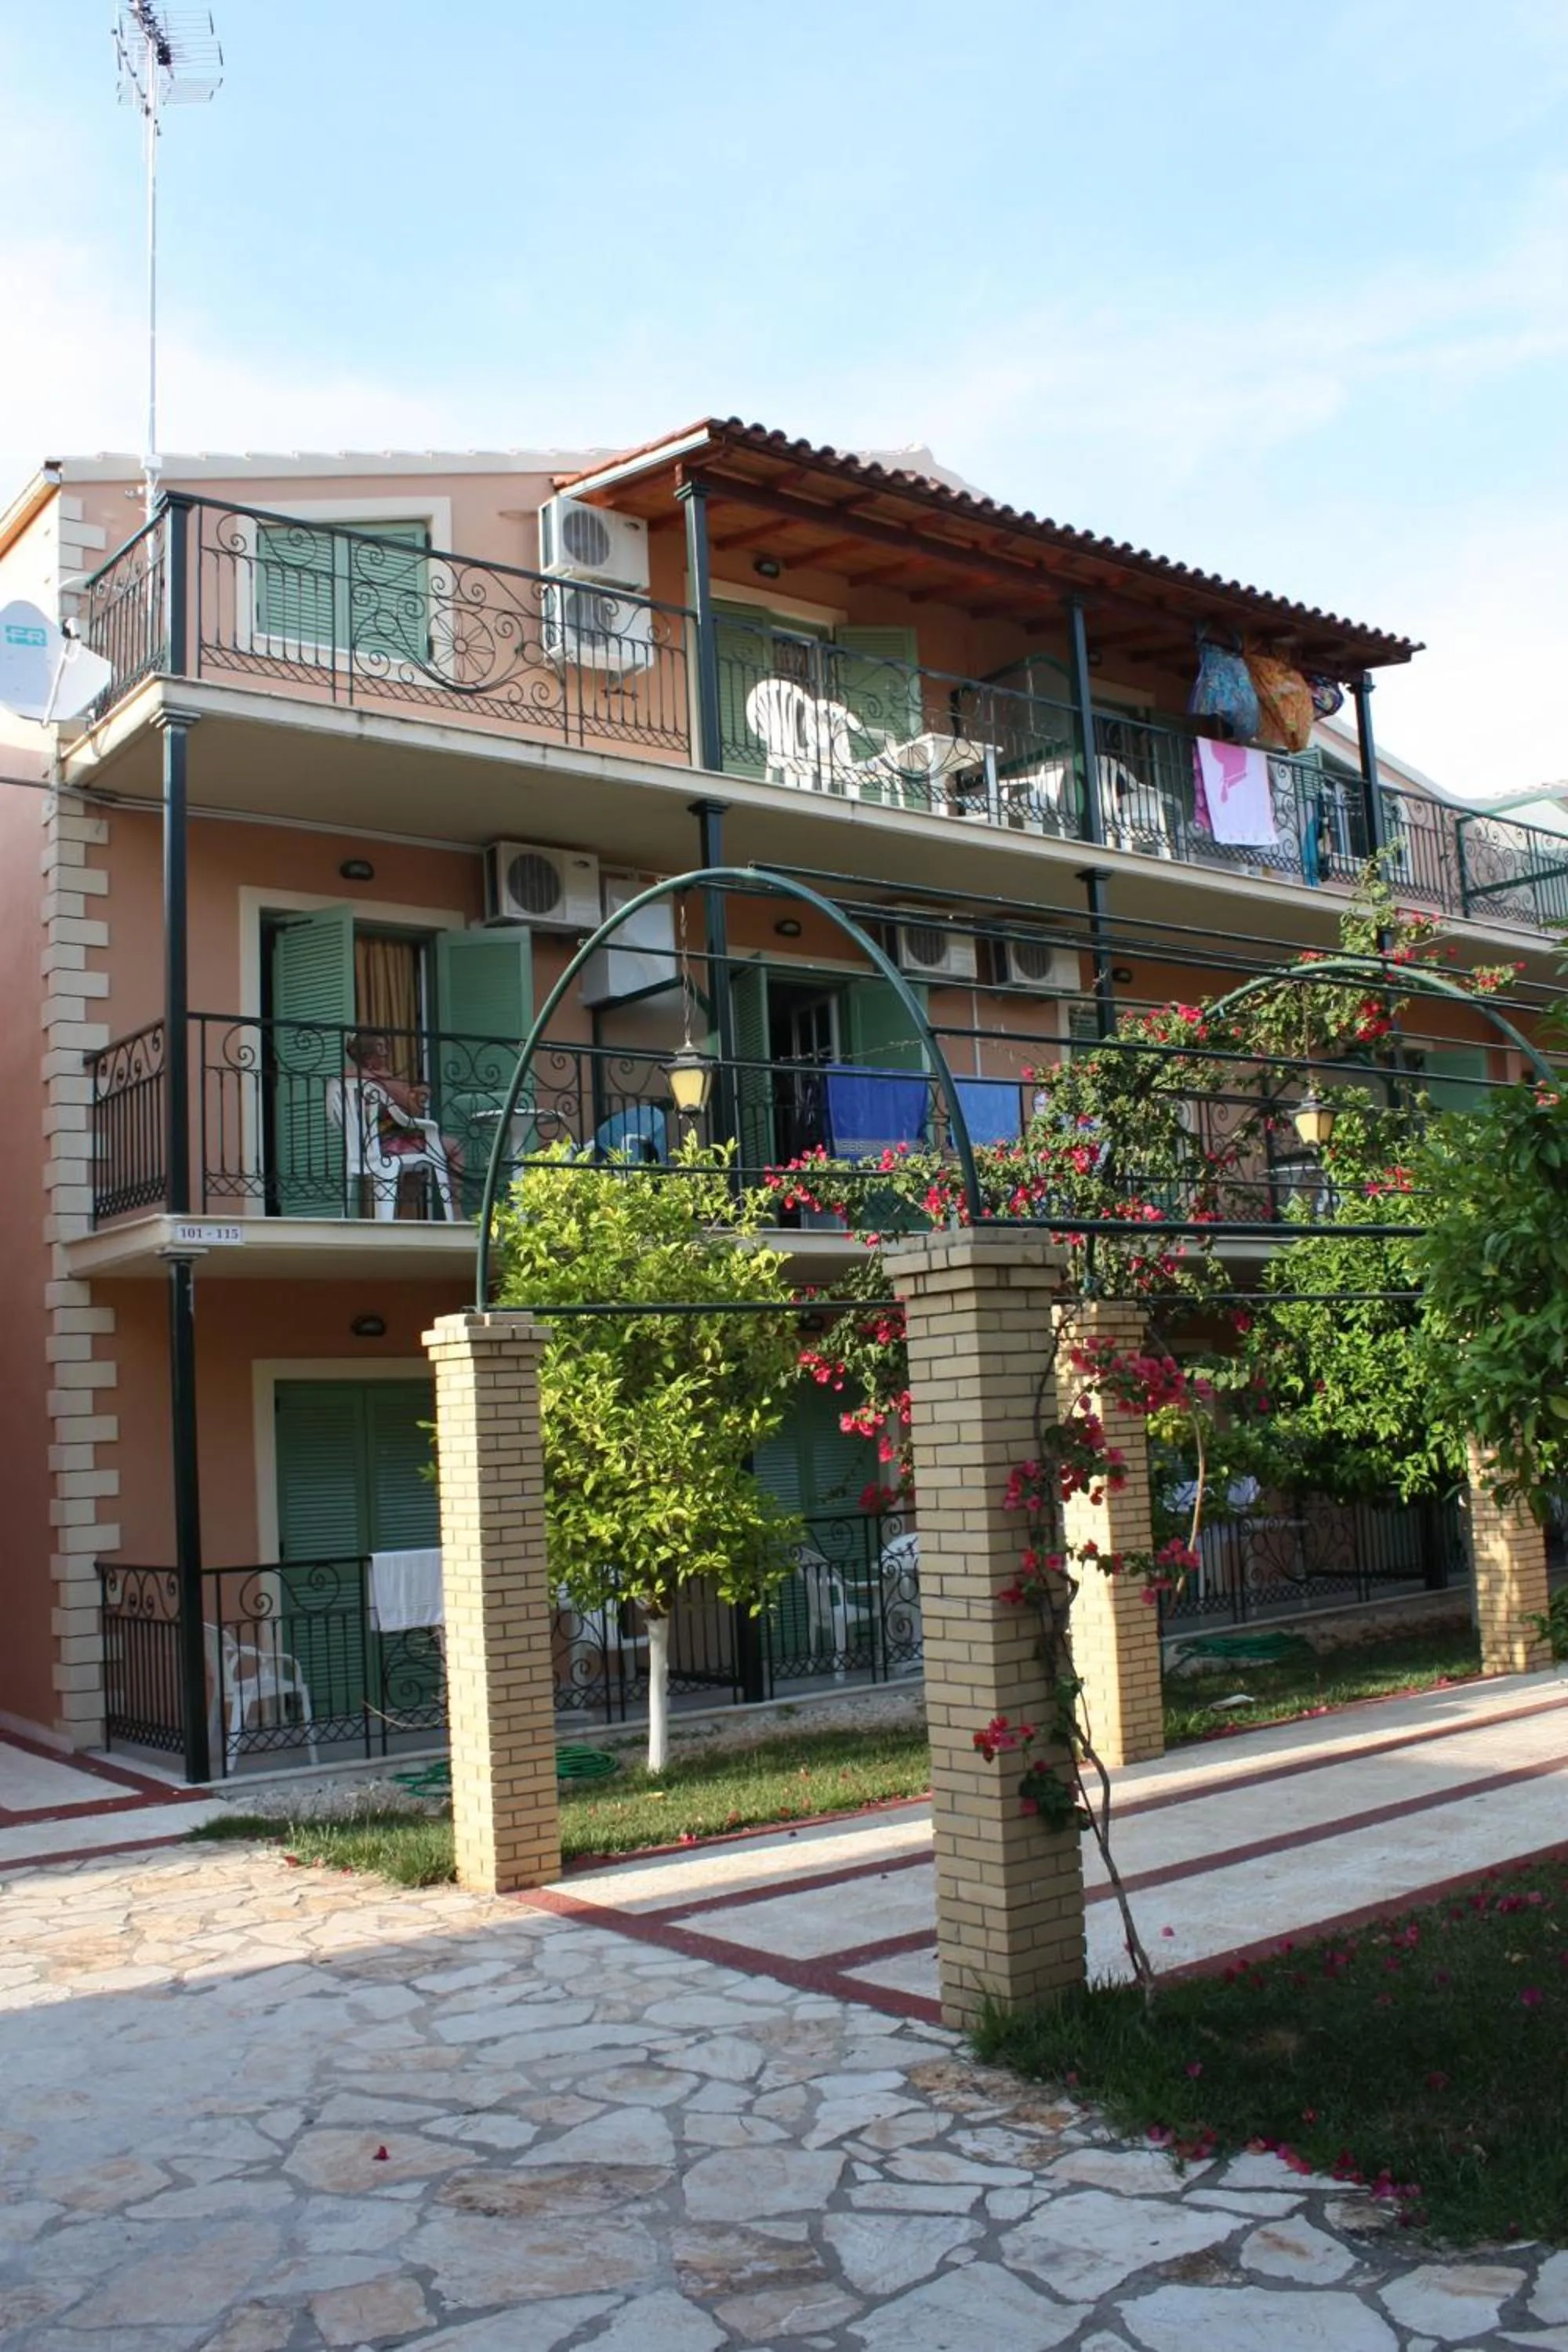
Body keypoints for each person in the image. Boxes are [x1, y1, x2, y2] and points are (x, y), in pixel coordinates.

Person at [344, 1032, 465, 1210]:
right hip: (390, 1146)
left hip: (365, 1146)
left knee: (417, 1160)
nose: (386, 1053)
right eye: (381, 1048)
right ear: (368, 1057)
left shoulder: (350, 1078)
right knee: (454, 1147)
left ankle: (407, 1214)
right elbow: (412, 1110)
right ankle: (456, 1211)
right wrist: (423, 1094)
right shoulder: (384, 1080)